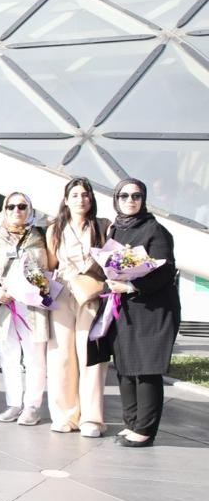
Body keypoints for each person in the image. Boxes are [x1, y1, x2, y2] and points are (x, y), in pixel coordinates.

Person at [104, 178, 179, 448]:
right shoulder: (115, 231)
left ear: (144, 199)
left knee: (146, 368)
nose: (130, 201)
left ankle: (145, 429)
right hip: (124, 308)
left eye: (136, 196)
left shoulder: (155, 231)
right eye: (124, 196)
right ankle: (131, 422)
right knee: (125, 365)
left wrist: (131, 285)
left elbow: (164, 271)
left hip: (152, 308)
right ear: (116, 199)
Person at [45, 177, 110, 437]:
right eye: (75, 195)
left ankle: (92, 418)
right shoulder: (55, 230)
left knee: (90, 355)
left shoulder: (103, 226)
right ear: (66, 199)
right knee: (61, 355)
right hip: (62, 294)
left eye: (85, 195)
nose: (80, 199)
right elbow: (51, 264)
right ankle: (64, 414)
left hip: (92, 294)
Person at [0, 192, 50, 426]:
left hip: (33, 305)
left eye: (22, 206)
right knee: (8, 355)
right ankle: (14, 403)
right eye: (11, 207)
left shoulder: (40, 236)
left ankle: (32, 405)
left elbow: (51, 267)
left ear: (30, 210)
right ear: (4, 210)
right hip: (4, 304)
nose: (16, 211)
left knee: (34, 357)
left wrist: (41, 285)